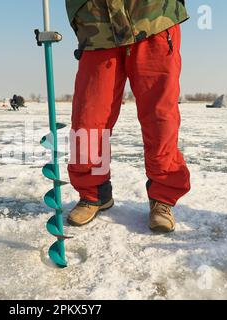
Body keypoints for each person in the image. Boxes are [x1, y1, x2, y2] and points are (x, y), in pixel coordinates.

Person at [66, 0, 191, 233]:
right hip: (96, 25)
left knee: (160, 119)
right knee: (88, 119)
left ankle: (162, 198)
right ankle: (94, 193)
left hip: (152, 17)